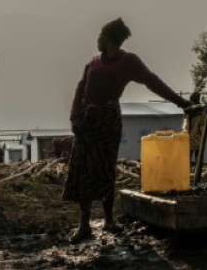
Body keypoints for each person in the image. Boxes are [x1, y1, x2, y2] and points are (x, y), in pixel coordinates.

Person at [64, 18, 190, 243]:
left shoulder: (128, 62)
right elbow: (79, 90)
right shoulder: (92, 63)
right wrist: (75, 118)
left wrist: (182, 102)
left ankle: (109, 219)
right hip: (87, 121)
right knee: (83, 168)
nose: (97, 40)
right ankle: (84, 224)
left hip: (107, 121)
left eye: (100, 36)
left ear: (110, 39)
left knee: (105, 167)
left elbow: (153, 81)